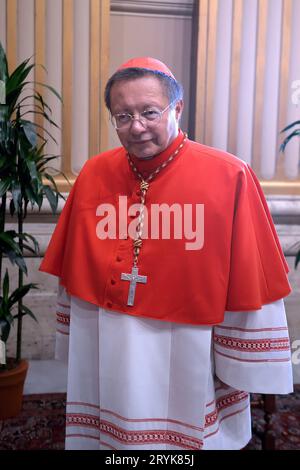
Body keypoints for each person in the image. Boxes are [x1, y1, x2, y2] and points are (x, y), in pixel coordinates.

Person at [40, 57, 293, 450]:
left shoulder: (230, 175)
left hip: (189, 338)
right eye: (122, 116)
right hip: (109, 330)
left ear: (176, 108)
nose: (136, 126)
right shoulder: (93, 173)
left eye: (149, 112)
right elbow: (74, 268)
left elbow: (250, 273)